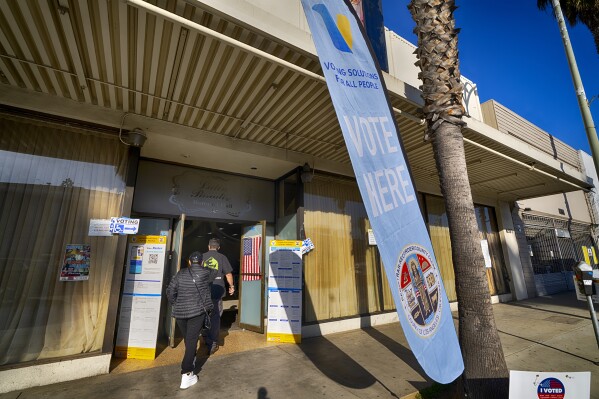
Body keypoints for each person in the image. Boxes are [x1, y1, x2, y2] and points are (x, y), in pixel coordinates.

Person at [166, 251, 216, 389]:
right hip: (196, 312)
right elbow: (214, 271)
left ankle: (191, 361)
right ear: (201, 262)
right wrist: (203, 266)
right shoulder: (206, 273)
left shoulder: (180, 274)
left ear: (188, 261)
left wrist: (176, 303)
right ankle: (187, 373)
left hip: (180, 313)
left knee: (189, 339)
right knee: (192, 339)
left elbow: (170, 291)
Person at [201, 237, 234, 355]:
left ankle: (205, 334)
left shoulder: (202, 257)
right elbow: (228, 274)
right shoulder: (222, 257)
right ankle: (212, 342)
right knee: (215, 316)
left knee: (204, 313)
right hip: (217, 291)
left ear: (208, 246)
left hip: (203, 292)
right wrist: (231, 286)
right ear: (218, 247)